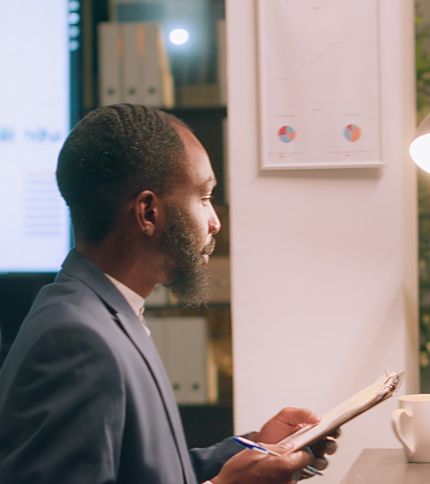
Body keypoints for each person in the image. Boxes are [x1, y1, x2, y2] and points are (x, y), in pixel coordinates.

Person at [0, 104, 338, 483]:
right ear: (148, 213)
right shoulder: (77, 342)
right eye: (204, 197)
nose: (215, 222)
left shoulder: (104, 312)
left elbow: (145, 474)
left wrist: (253, 447)